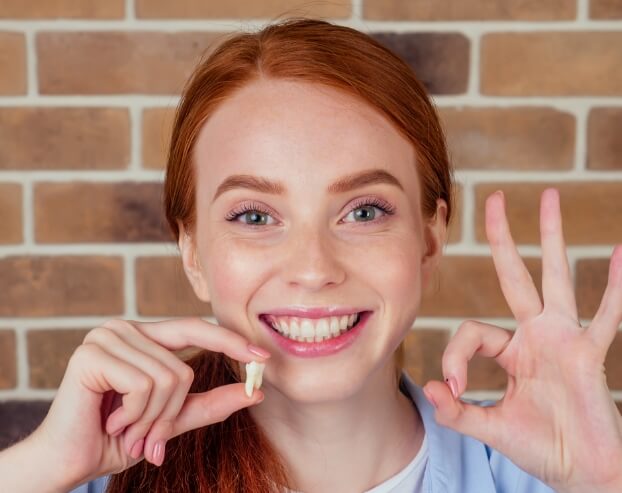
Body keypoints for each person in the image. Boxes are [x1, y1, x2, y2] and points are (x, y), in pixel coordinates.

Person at [1, 17, 621, 493]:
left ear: (431, 237)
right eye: (253, 216)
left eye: (364, 211)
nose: (313, 269)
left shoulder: (551, 474)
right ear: (192, 251)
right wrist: (38, 468)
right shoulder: (83, 480)